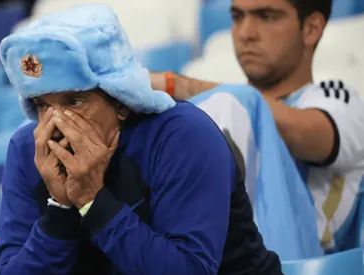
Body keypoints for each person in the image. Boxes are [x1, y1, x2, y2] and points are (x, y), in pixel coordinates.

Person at [0, 4, 282, 275]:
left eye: (75, 101)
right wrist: (60, 209)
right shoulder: (27, 152)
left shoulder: (183, 135)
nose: (56, 124)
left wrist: (92, 200)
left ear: (122, 102)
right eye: (42, 105)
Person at [151, 0, 364, 251]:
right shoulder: (224, 107)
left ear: (311, 28)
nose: (245, 33)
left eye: (267, 16)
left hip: (298, 261)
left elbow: (304, 131)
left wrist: (177, 86)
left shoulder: (337, 99)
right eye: (238, 17)